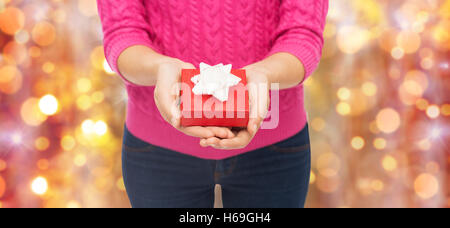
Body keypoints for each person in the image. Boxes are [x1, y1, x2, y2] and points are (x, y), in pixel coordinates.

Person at [97, 0, 328, 208]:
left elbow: (303, 33)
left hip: (274, 146)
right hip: (157, 150)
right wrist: (159, 68)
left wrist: (266, 74)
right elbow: (122, 32)